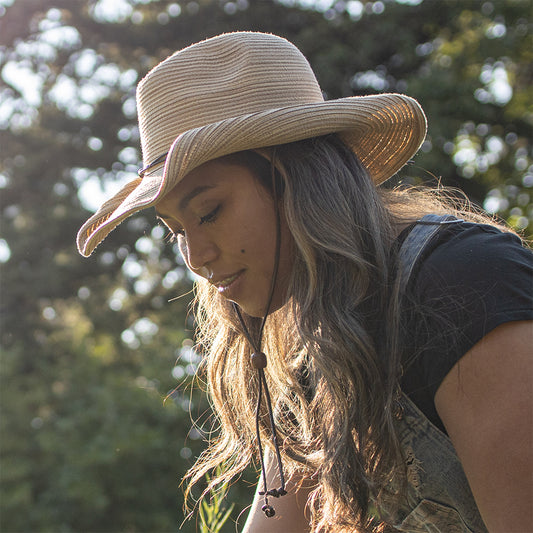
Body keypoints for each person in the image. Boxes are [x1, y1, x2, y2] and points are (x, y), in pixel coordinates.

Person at [77, 32, 532, 532]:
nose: (196, 258)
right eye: (177, 231)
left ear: (293, 178)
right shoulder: (320, 351)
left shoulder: (463, 282)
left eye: (208, 212)